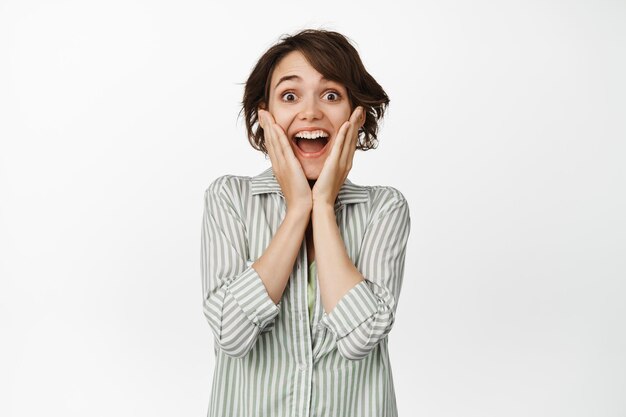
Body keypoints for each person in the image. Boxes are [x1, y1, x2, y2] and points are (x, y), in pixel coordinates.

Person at [200, 28, 411, 417]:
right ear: (266, 116)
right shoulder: (229, 198)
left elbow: (361, 338)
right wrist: (298, 208)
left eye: (331, 95)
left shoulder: (384, 208)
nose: (311, 112)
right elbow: (232, 332)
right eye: (290, 96)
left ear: (356, 115)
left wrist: (323, 207)